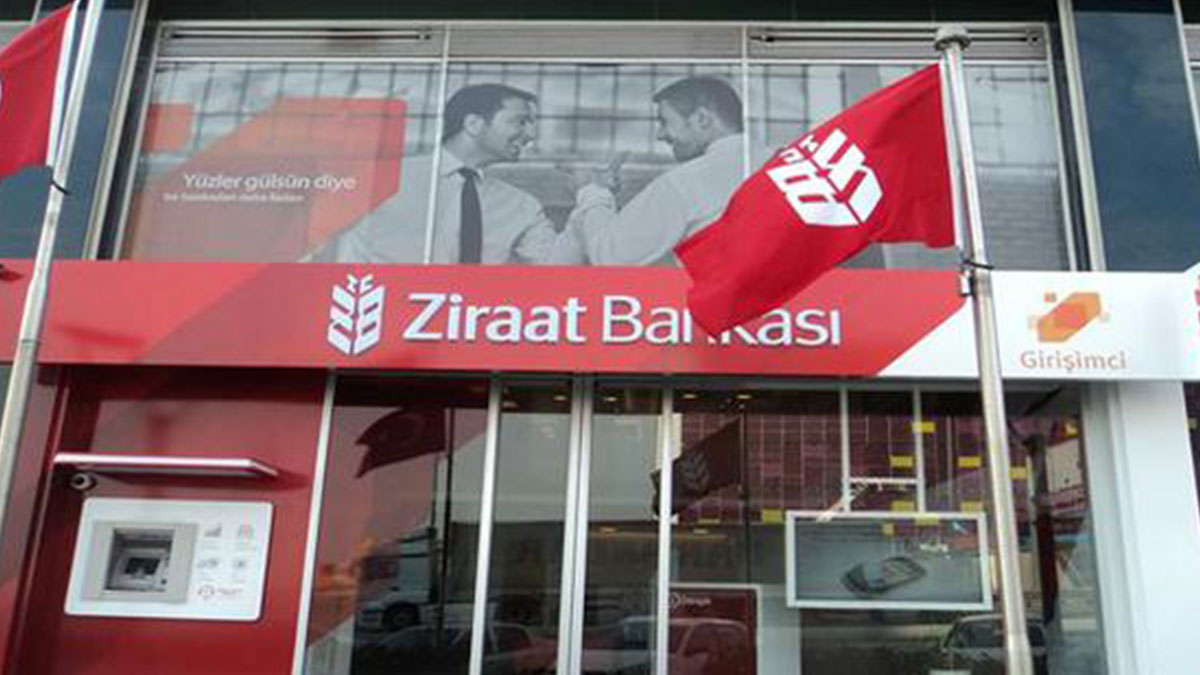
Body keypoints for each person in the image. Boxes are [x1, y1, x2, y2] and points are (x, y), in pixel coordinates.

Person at [319, 83, 576, 264]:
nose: (531, 134)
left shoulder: (522, 207)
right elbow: (316, 243)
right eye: (520, 121)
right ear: (474, 124)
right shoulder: (382, 177)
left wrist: (589, 195)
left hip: (471, 320)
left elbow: (559, 268)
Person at [561, 76, 749, 266]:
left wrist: (592, 191)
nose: (660, 135)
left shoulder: (684, 183)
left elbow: (610, 258)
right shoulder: (767, 164)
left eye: (664, 122)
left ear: (702, 119)